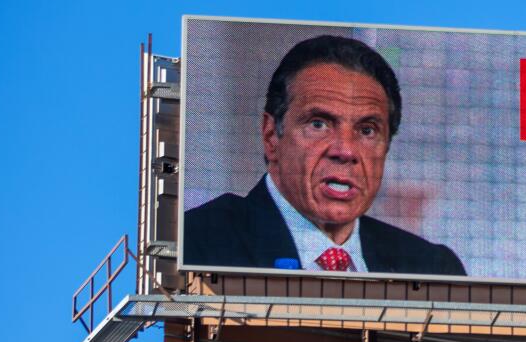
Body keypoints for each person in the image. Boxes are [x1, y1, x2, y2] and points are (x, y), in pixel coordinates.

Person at [184, 35, 466, 276]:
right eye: (318, 124)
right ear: (271, 136)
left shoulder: (431, 268)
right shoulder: (199, 243)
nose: (345, 151)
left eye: (367, 130)